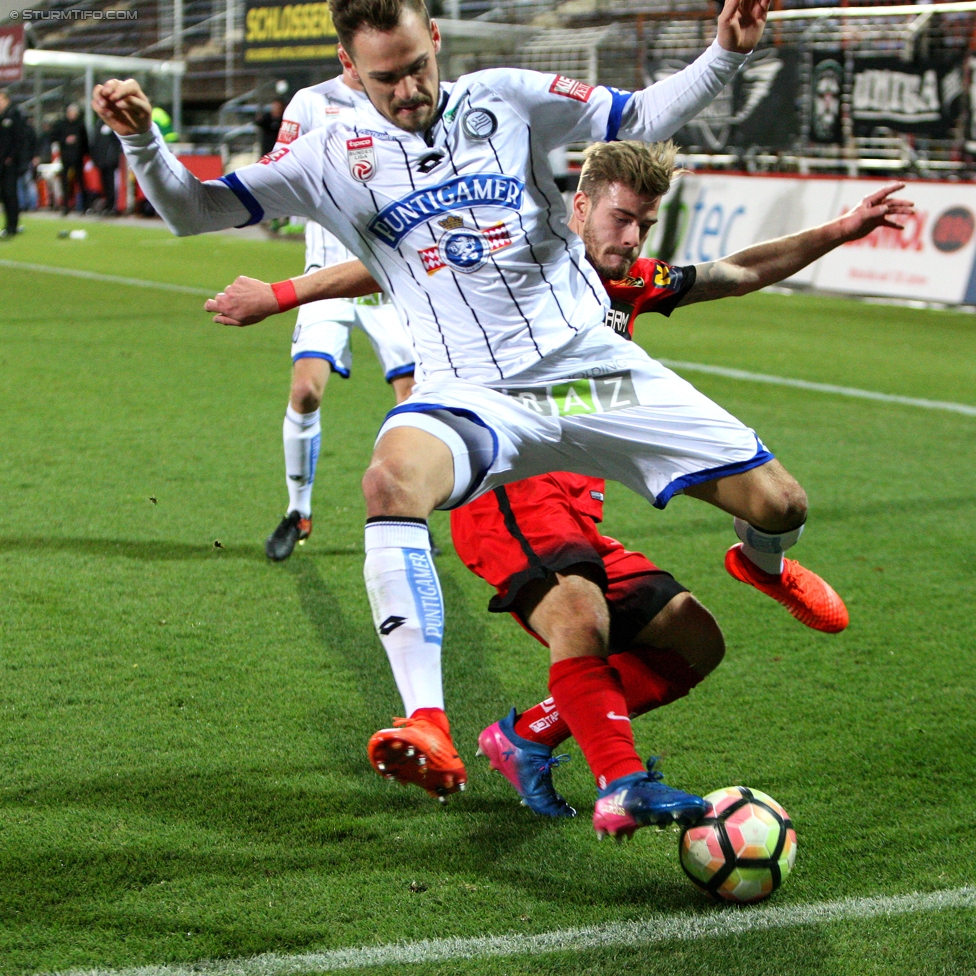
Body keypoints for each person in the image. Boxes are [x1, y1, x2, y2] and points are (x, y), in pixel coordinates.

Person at [93, 0, 786, 832]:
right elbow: (191, 210)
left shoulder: (504, 96)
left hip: (589, 372)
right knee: (390, 480)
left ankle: (763, 565)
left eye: (419, 64)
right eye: (387, 76)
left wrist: (723, 54)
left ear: (437, 44)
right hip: (473, 390)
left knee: (782, 506)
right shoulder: (326, 155)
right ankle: (429, 717)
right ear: (350, 71)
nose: (411, 87)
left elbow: (637, 113)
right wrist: (143, 139)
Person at [202, 144, 911, 835]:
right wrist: (281, 294)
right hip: (504, 485)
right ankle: (621, 784)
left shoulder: (632, 278)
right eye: (620, 217)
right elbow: (385, 264)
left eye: (644, 221)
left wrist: (841, 229)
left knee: (694, 641)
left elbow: (740, 270)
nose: (631, 236)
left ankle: (527, 735)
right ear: (579, 206)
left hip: (576, 511)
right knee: (581, 618)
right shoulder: (519, 251)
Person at [261, 67, 418, 562]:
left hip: (387, 278)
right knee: (305, 391)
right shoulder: (310, 102)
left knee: (414, 400)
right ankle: (298, 511)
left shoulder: (400, 98)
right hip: (325, 275)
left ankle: (409, 510)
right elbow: (278, 163)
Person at [0, 88, 30, 238]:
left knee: (10, 193)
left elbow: (19, 139)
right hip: (2, 163)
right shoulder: (2, 116)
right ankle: (8, 224)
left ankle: (13, 225)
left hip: (10, 163)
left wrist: (12, 157)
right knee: (4, 194)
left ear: (7, 100)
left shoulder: (14, 115)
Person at [51, 104, 89, 215]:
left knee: (80, 181)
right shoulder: (61, 125)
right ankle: (66, 206)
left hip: (78, 157)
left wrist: (85, 154)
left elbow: (85, 140)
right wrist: (64, 140)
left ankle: (83, 206)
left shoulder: (80, 125)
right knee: (65, 182)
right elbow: (54, 137)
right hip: (66, 157)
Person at [90, 122, 122, 214]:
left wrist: (113, 159)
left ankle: (113, 206)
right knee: (105, 185)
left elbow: (117, 142)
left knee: (112, 184)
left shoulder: (112, 124)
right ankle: (108, 205)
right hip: (101, 161)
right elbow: (95, 143)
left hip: (110, 161)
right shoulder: (98, 125)